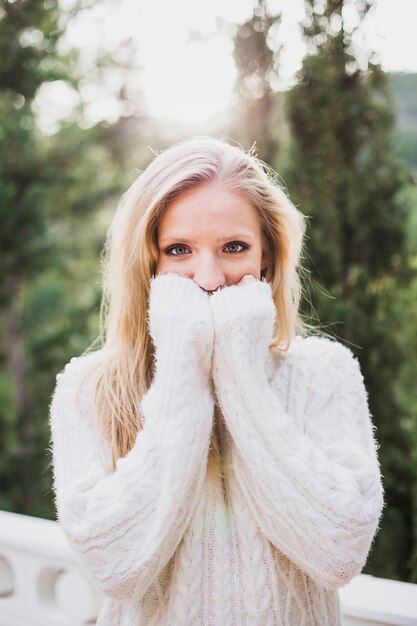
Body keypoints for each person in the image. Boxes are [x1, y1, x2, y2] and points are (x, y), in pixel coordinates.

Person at [49, 136, 384, 626]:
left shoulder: (323, 373)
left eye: (234, 247)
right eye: (179, 249)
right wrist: (183, 368)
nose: (207, 277)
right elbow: (116, 570)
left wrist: (239, 373)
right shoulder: (89, 388)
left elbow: (338, 554)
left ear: (266, 258)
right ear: (149, 262)